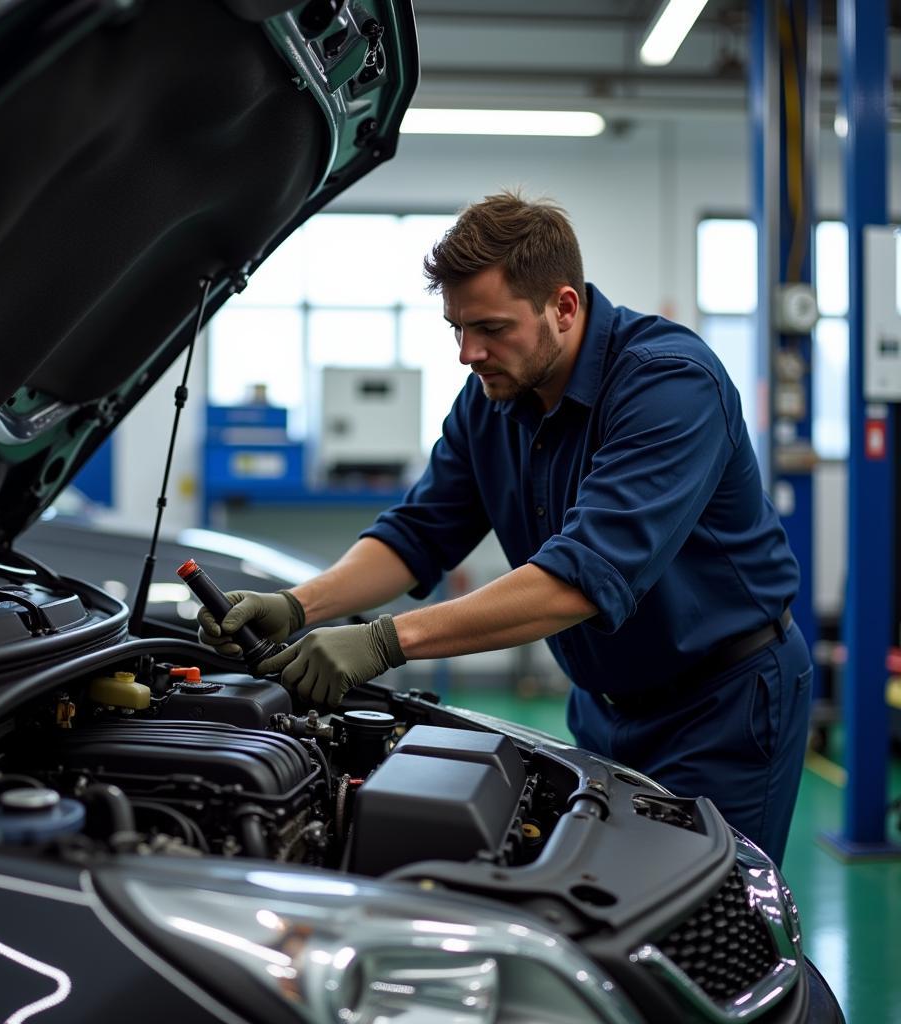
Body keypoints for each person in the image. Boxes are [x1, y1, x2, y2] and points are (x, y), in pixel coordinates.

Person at [197, 191, 812, 866]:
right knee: (600, 895)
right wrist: (298, 604)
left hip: (723, 704)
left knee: (707, 917)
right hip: (604, 704)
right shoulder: (492, 399)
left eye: (490, 327)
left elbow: (579, 581)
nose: (469, 353)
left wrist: (382, 641)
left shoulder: (668, 384)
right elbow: (418, 532)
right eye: (456, 328)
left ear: (565, 307)